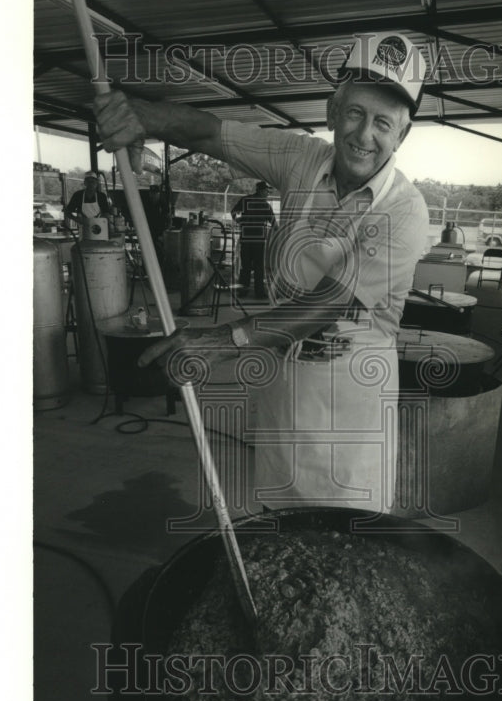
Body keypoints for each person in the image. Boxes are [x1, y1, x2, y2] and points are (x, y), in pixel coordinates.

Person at [93, 31, 429, 512]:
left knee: (348, 546)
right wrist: (139, 113)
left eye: (383, 122)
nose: (364, 135)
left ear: (403, 133)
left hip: (354, 418)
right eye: (354, 113)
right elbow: (210, 132)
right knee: (279, 531)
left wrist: (219, 341)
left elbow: (328, 302)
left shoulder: (405, 210)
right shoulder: (301, 159)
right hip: (282, 396)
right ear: (333, 111)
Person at [231, 180, 277, 298]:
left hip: (246, 239)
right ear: (261, 191)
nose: (268, 194)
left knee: (245, 266)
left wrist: (238, 219)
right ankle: (259, 293)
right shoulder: (265, 205)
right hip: (258, 240)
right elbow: (274, 224)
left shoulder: (245, 200)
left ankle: (243, 291)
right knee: (258, 267)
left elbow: (234, 212)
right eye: (267, 191)